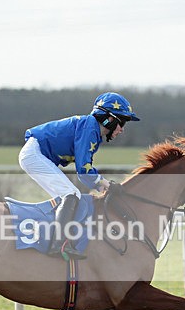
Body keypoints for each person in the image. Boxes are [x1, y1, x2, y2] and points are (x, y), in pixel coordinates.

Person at [19, 92, 140, 259]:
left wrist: (101, 186)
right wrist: (107, 184)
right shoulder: (89, 128)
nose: (122, 130)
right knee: (71, 194)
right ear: (109, 119)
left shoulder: (92, 131)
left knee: (70, 195)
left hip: (36, 153)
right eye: (122, 123)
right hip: (34, 154)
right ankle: (58, 245)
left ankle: (58, 240)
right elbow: (84, 170)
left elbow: (85, 174)